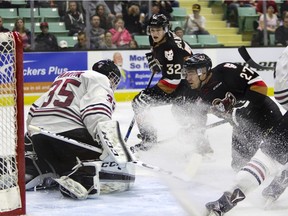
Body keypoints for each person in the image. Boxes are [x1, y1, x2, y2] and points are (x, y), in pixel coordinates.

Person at [180, 53, 286, 215]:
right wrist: (192, 128)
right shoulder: (194, 93)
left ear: (202, 71)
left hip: (264, 115)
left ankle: (282, 177)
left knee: (275, 152)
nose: (187, 77)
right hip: (241, 128)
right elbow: (198, 118)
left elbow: (260, 87)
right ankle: (245, 190)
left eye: (191, 73)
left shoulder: (226, 71)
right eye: (186, 73)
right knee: (238, 165)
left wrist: (241, 110)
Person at [25, 59, 135, 199]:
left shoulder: (65, 77)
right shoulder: (101, 80)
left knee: (53, 157)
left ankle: (36, 169)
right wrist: (114, 149)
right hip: (69, 139)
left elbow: (34, 110)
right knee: (104, 156)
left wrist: (32, 135)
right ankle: (82, 176)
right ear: (111, 77)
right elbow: (95, 113)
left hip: (39, 137)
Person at [131, 13, 193, 149]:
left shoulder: (171, 48)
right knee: (180, 112)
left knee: (139, 102)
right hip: (181, 81)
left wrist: (150, 91)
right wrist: (157, 63)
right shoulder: (156, 39)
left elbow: (173, 81)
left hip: (185, 84)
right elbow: (160, 58)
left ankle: (149, 140)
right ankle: (195, 136)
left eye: (158, 30)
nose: (154, 33)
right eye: (152, 30)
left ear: (165, 29)